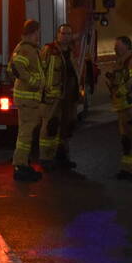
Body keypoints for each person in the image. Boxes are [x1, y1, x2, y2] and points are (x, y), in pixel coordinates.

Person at [38, 23, 80, 170]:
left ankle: (62, 157)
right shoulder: (49, 50)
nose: (66, 36)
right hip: (52, 97)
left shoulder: (70, 51)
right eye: (63, 33)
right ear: (57, 35)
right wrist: (43, 92)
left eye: (69, 34)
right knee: (50, 126)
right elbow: (40, 70)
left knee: (66, 127)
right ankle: (45, 158)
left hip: (68, 97)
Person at [8, 19, 44, 182]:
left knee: (25, 133)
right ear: (32, 32)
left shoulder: (24, 48)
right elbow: (16, 68)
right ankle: (21, 166)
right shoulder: (26, 49)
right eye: (37, 32)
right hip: (28, 97)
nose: (38, 35)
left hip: (28, 98)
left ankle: (23, 163)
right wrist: (34, 82)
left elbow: (12, 68)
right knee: (26, 134)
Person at [106, 35, 132, 179]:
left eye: (118, 45)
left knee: (129, 138)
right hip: (123, 105)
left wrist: (122, 90)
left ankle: (130, 169)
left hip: (131, 105)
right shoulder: (120, 62)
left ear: (127, 46)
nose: (115, 48)